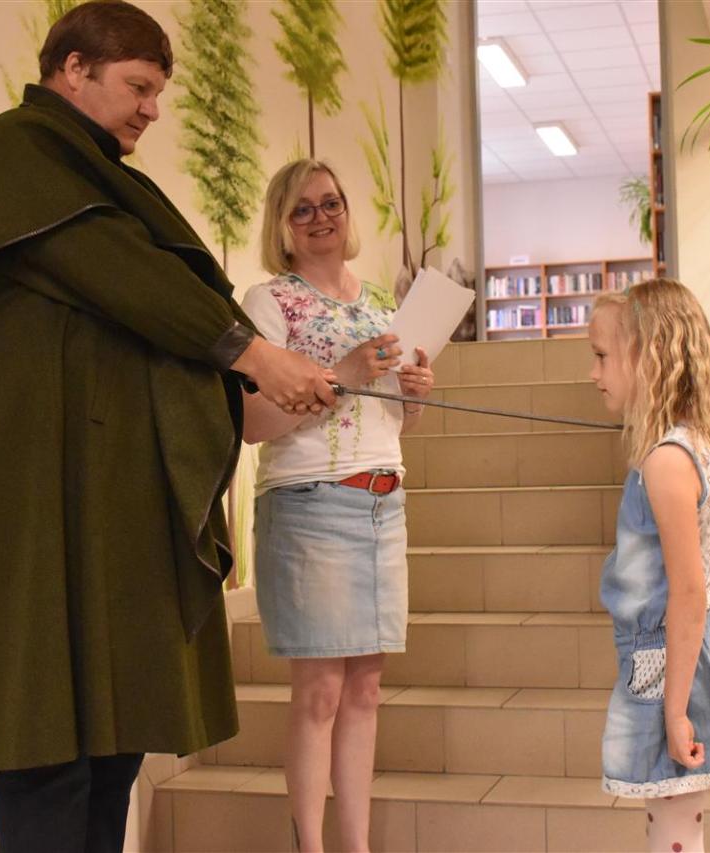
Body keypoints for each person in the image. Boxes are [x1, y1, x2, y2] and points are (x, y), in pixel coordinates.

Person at [0, 5, 334, 852]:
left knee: (113, 738)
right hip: (35, 500)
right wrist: (253, 352)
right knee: (46, 743)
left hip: (103, 499)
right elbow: (127, 275)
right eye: (139, 87)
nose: (152, 109)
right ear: (74, 69)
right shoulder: (14, 155)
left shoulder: (92, 174)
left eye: (157, 92)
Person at [239, 159, 435, 853]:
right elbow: (250, 423)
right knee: (320, 690)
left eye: (331, 203)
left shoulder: (381, 300)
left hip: (383, 502)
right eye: (303, 208)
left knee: (366, 691)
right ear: (282, 225)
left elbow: (396, 424)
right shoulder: (269, 302)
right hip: (310, 505)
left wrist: (414, 392)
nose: (321, 217)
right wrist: (343, 375)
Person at [589, 280, 710, 853]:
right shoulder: (686, 447)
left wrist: (675, 711)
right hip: (674, 656)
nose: (593, 372)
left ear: (649, 357)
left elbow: (687, 591)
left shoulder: (666, 462)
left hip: (671, 665)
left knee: (675, 826)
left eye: (602, 356)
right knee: (673, 820)